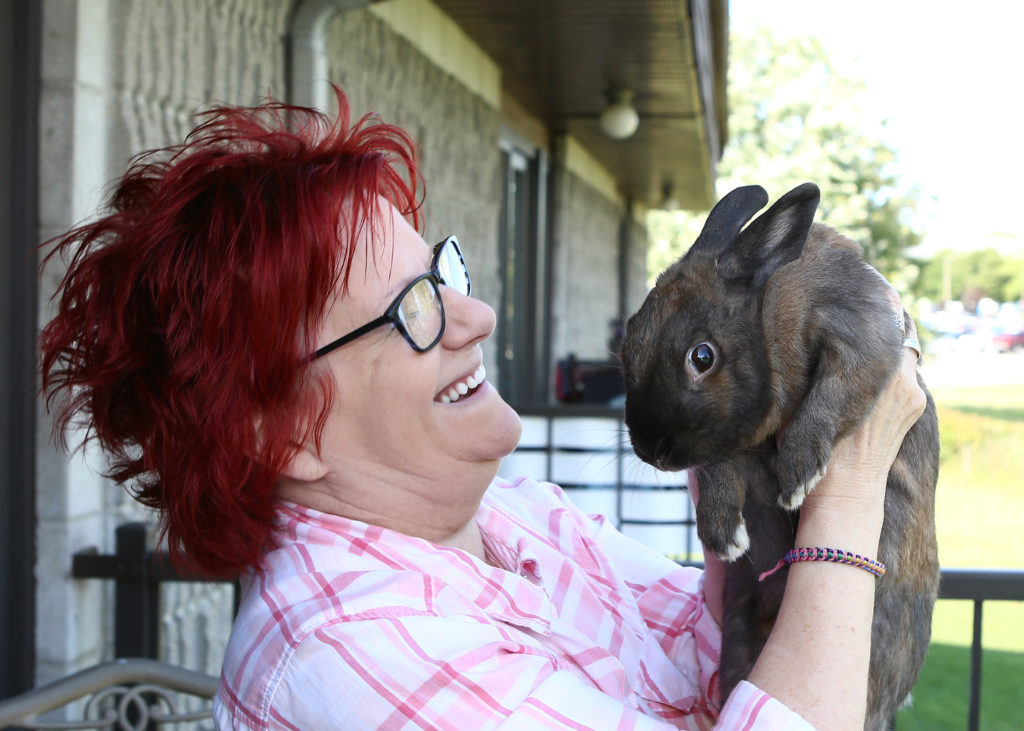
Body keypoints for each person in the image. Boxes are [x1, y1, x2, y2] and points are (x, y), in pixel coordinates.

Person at [40, 86, 926, 730]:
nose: (477, 316)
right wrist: (849, 492)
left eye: (440, 274)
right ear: (288, 430)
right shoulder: (360, 653)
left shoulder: (516, 519)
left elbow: (724, 654)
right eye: (411, 311)